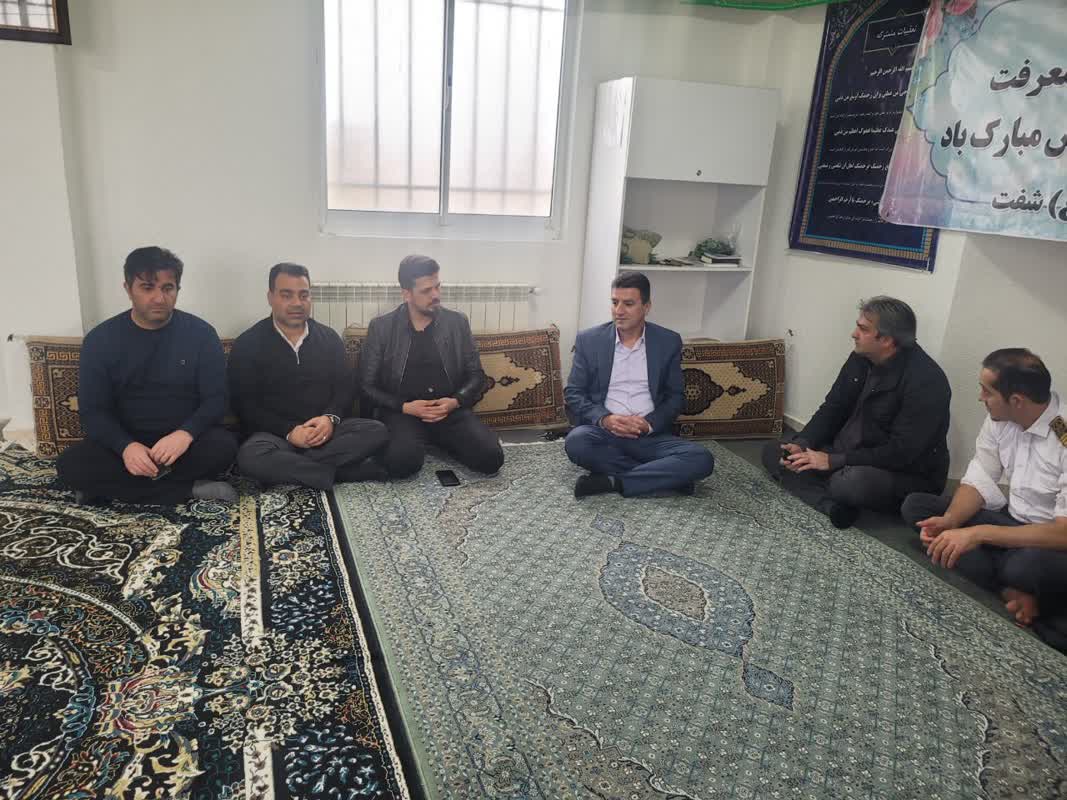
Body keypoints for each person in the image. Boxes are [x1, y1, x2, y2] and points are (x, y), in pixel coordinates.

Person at [902, 349, 1067, 646]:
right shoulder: (1000, 419)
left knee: (1021, 566)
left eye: (987, 391)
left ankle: (1014, 582)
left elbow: (1063, 533)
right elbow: (980, 476)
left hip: (1051, 542)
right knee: (919, 508)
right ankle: (1013, 591)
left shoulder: (1063, 434)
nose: (981, 397)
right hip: (1012, 523)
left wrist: (978, 534)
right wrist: (951, 520)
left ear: (1016, 400)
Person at [56, 246, 237, 505]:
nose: (159, 298)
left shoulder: (201, 334)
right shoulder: (101, 340)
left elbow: (216, 400)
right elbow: (93, 411)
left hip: (182, 445)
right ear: (128, 289)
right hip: (125, 443)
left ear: (177, 289)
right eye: (147, 287)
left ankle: (113, 488)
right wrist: (125, 447)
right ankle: (187, 490)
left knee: (224, 446)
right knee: (71, 464)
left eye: (167, 288)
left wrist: (184, 435)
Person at [761, 296, 950, 529]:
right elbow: (833, 407)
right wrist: (802, 443)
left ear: (887, 340)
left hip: (899, 471)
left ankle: (824, 487)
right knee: (776, 452)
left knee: (849, 483)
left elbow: (901, 452)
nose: (854, 334)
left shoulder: (927, 382)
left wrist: (833, 461)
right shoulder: (861, 357)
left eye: (863, 329)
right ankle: (832, 506)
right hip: (847, 453)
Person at [229, 263, 389, 490]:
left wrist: (330, 418)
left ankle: (299, 469)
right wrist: (289, 431)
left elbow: (345, 387)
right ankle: (341, 472)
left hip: (325, 433)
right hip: (277, 437)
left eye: (303, 295)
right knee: (250, 456)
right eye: (287, 295)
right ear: (270, 297)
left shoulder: (329, 338)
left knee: (376, 430)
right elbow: (245, 405)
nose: (297, 303)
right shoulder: (248, 344)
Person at [563, 271, 715, 498]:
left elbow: (676, 397)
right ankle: (667, 479)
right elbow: (574, 393)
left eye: (628, 304)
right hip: (604, 434)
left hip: (650, 437)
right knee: (576, 442)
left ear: (646, 306)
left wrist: (648, 424)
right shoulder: (589, 340)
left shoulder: (667, 341)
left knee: (702, 458)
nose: (618, 311)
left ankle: (614, 481)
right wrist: (606, 419)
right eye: (614, 302)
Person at [358, 255, 504, 478]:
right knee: (402, 463)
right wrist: (405, 407)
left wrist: (454, 402)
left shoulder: (457, 323)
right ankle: (419, 442)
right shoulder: (382, 327)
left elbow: (476, 375)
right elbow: (366, 386)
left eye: (437, 287)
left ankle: (439, 439)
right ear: (407, 293)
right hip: (403, 412)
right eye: (426, 291)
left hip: (449, 410)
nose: (435, 295)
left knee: (491, 458)